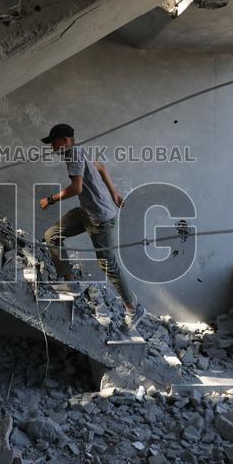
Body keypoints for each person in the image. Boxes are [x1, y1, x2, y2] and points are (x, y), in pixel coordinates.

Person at [38, 123, 146, 330]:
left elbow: (76, 188)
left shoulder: (74, 155)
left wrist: (50, 200)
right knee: (52, 235)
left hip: (101, 219)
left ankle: (133, 308)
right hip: (87, 212)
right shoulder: (77, 152)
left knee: (108, 264)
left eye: (54, 142)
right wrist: (114, 193)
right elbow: (101, 168)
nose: (52, 147)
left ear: (65, 140)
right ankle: (69, 282)